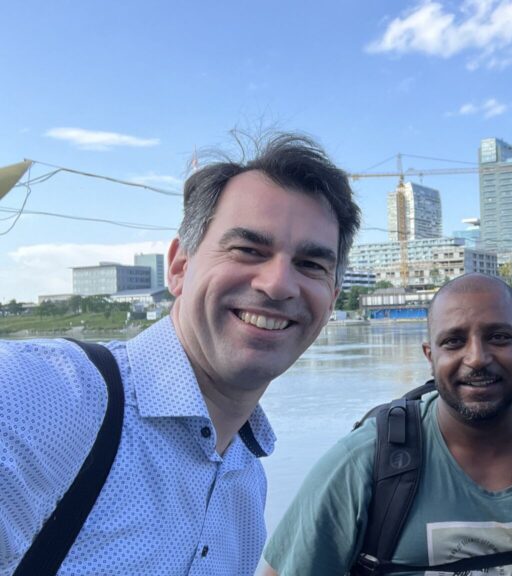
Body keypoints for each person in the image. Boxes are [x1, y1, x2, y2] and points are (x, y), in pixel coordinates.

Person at [0, 132, 360, 575]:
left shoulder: (246, 484)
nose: (279, 284)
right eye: (248, 250)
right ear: (179, 267)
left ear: (332, 297)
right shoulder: (41, 398)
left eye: (311, 265)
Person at [261, 273, 512, 576]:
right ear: (430, 356)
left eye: (498, 337)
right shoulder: (365, 463)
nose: (477, 358)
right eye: (453, 341)